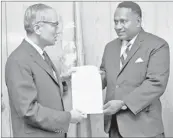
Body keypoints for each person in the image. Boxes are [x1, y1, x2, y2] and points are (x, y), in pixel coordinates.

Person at [5, 3, 86, 137]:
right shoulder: (18, 60)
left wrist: (61, 81)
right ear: (37, 28)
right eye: (54, 25)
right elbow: (28, 110)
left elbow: (42, 89)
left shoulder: (40, 54)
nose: (58, 30)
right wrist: (68, 117)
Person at [100, 1, 170, 137]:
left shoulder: (158, 45)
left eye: (123, 21)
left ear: (138, 21)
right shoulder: (110, 47)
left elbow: (156, 83)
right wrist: (82, 77)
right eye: (115, 22)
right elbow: (104, 76)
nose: (118, 27)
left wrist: (123, 103)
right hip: (114, 127)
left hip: (144, 129)